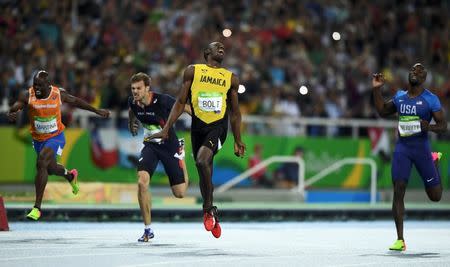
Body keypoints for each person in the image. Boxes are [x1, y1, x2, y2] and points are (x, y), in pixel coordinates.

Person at [148, 42, 246, 238]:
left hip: (218, 127)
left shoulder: (230, 78)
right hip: (198, 128)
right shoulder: (193, 71)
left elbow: (235, 113)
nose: (221, 47)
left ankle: (208, 208)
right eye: (216, 46)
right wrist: (166, 129)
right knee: (204, 168)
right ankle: (210, 213)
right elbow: (180, 102)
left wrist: (237, 139)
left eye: (223, 47)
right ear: (206, 52)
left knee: (202, 160)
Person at [7, 70, 110, 220]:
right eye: (35, 85)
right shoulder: (27, 95)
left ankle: (37, 208)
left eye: (40, 85)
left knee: (41, 162)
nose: (37, 88)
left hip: (56, 137)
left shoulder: (58, 94)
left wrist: (96, 110)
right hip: (38, 139)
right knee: (50, 168)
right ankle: (70, 175)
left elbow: (76, 101)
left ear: (48, 85)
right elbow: (16, 106)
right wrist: (12, 112)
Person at [372, 63, 447, 251]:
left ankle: (434, 160)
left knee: (435, 197)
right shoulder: (400, 97)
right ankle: (400, 239)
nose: (415, 72)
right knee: (398, 189)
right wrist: (376, 90)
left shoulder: (431, 100)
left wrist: (428, 127)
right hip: (402, 148)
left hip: (421, 149)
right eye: (413, 70)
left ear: (424, 78)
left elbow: (443, 126)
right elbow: (382, 111)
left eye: (420, 71)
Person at [128, 72, 191, 242]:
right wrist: (131, 123)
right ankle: (148, 230)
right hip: (151, 145)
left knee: (180, 193)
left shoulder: (162, 100)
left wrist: (203, 123)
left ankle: (182, 156)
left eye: (138, 88)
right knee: (142, 182)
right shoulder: (133, 101)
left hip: (170, 144)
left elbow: (185, 107)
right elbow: (132, 110)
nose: (135, 91)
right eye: (133, 88)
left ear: (147, 88)